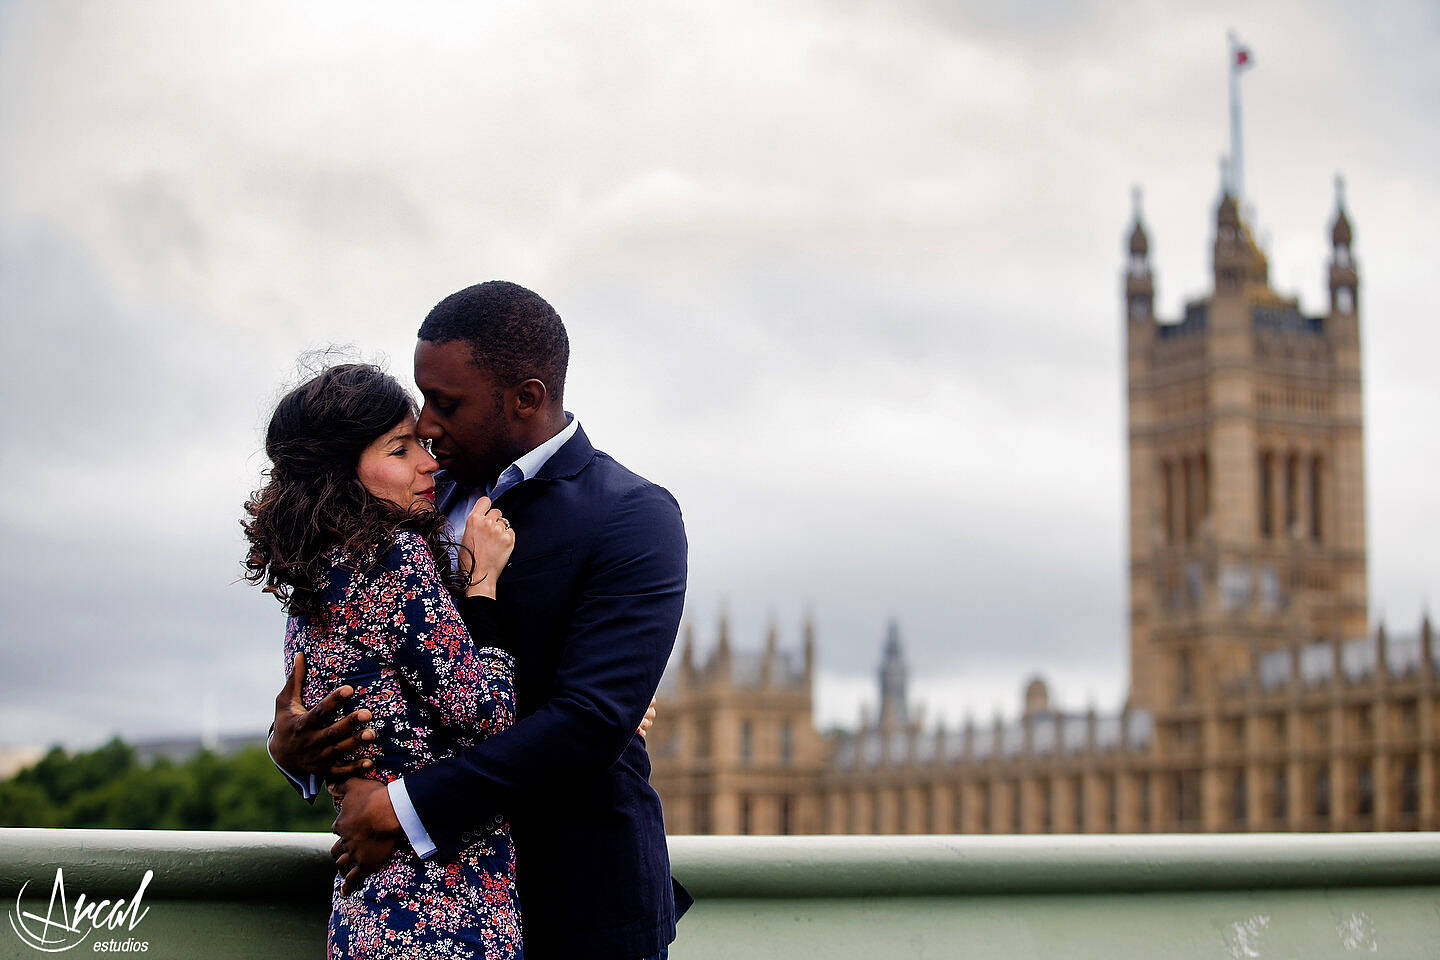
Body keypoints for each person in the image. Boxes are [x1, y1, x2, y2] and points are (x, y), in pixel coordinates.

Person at [270, 281, 691, 960]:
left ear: (525, 397)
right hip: (426, 903)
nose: (427, 424)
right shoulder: (400, 504)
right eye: (422, 401)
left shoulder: (633, 516)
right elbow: (355, 656)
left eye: (447, 404)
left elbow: (590, 720)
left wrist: (402, 809)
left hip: (582, 905)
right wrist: (294, 748)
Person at [243, 362, 526, 958]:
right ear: (340, 475)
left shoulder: (311, 575)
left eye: (421, 443)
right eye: (400, 450)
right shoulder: (393, 555)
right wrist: (482, 587)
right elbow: (483, 713)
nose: (428, 463)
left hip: (367, 906)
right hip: (447, 905)